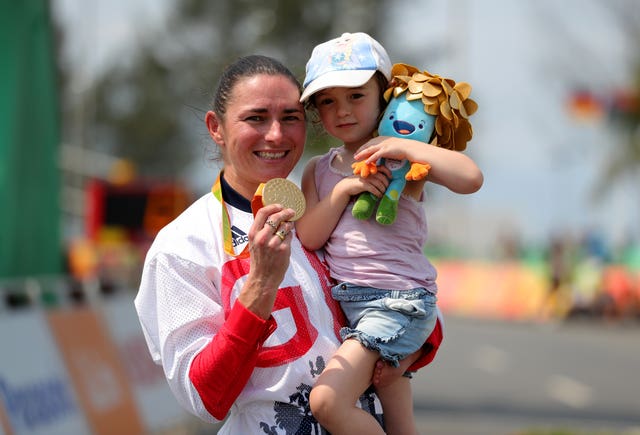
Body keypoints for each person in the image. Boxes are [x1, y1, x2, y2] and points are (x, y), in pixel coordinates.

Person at [134, 54, 442, 434]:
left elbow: (405, 298)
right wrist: (261, 284)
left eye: (291, 118)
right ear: (217, 128)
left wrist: (405, 349)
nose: (276, 135)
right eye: (256, 118)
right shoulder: (183, 246)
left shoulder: (324, 208)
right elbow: (206, 397)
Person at [295, 33, 484, 435]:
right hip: (348, 306)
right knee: (401, 427)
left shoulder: (405, 161)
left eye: (356, 96)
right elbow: (309, 237)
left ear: (385, 95)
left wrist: (407, 147)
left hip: (398, 305)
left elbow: (471, 178)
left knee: (326, 401)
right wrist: (344, 191)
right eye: (327, 101)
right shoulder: (318, 170)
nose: (342, 111)